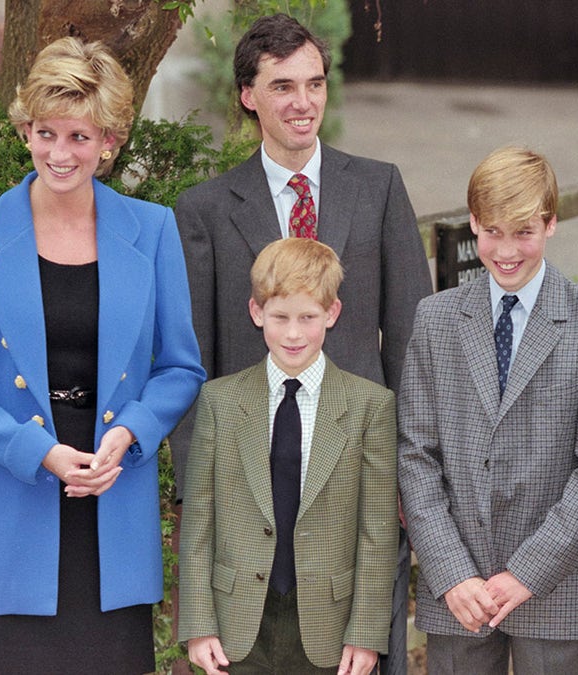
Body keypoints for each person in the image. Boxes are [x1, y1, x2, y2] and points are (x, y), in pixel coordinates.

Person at [0, 37, 205, 673]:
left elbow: (180, 367)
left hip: (114, 504)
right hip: (15, 501)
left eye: (79, 135)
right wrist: (36, 451)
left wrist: (130, 432)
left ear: (109, 140)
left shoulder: (152, 229)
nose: (59, 153)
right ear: (24, 131)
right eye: (45, 132)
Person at [171, 13, 432, 673]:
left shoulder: (378, 189)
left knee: (363, 648)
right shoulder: (204, 210)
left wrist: (412, 468)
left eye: (314, 84)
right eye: (283, 86)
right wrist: (195, 488)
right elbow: (192, 360)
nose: (303, 102)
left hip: (359, 475)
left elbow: (411, 341)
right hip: (253, 480)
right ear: (248, 95)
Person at [397, 146, 578, 673]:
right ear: (473, 225)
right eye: (492, 232)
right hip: (458, 594)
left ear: (551, 224)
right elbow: (415, 454)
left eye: (524, 232)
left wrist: (529, 572)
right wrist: (449, 570)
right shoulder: (436, 319)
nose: (507, 251)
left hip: (557, 586)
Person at [178, 237, 399, 675]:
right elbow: (199, 522)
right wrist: (199, 622)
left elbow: (377, 534)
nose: (293, 333)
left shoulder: (369, 406)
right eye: (280, 317)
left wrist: (366, 632)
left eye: (308, 317)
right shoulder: (220, 402)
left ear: (332, 313)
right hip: (237, 622)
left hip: (329, 628)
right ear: (256, 312)